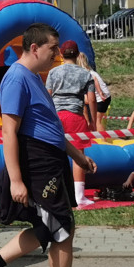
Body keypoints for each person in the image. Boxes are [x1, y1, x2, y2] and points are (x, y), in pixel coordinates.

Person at [0, 23, 98, 267]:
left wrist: (78, 156)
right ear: (34, 48)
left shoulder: (34, 78)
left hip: (50, 159)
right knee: (63, 227)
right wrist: (16, 180)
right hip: (38, 162)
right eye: (53, 48)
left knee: (48, 228)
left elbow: (51, 127)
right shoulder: (16, 78)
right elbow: (9, 132)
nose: (57, 54)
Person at [45, 39, 97, 207]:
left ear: (61, 53)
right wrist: (94, 121)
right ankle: (79, 196)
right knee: (78, 157)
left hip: (56, 116)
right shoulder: (85, 74)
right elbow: (91, 99)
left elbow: (47, 96)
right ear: (77, 54)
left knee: (53, 155)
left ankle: (53, 192)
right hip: (76, 115)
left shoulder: (53, 73)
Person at [76, 52, 110, 133]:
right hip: (106, 97)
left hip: (101, 99)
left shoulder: (86, 72)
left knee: (97, 121)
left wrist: (100, 92)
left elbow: (94, 79)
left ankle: (101, 139)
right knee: (97, 119)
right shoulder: (90, 70)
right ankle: (90, 128)